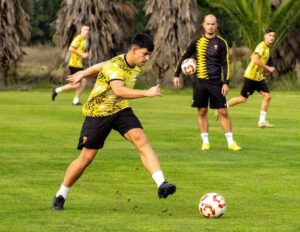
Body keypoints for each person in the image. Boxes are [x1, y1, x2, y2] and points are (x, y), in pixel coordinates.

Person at [52, 33, 176, 211]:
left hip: (120, 110)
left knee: (141, 140)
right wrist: (147, 93)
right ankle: (61, 194)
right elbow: (118, 90)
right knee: (86, 158)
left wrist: (84, 72)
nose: (147, 58)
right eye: (145, 54)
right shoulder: (116, 66)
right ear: (134, 50)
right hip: (99, 113)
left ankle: (161, 183)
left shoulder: (131, 62)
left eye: (149, 55)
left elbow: (101, 65)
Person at [173, 14, 241, 151]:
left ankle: (231, 143)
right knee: (202, 111)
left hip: (216, 83)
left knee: (223, 112)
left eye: (213, 24)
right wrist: (176, 74)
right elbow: (185, 56)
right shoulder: (197, 42)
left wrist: (226, 82)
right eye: (208, 24)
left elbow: (225, 63)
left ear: (216, 25)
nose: (210, 26)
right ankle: (205, 142)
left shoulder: (222, 43)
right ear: (204, 25)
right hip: (200, 83)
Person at [227, 29, 276, 128]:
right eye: (270, 35)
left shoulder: (266, 48)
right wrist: (267, 68)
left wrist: (259, 64)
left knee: (267, 97)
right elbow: (255, 59)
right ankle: (222, 106)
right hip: (251, 77)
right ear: (265, 36)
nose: (272, 38)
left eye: (273, 36)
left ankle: (261, 122)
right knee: (242, 99)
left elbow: (252, 56)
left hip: (258, 78)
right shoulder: (262, 46)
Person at [52, 22, 90, 105]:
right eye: (85, 29)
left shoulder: (85, 40)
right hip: (74, 64)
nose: (87, 31)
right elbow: (71, 48)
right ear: (81, 30)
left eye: (88, 30)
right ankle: (58, 91)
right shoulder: (78, 38)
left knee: (80, 83)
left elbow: (81, 51)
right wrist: (82, 54)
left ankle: (74, 99)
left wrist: (85, 55)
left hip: (79, 65)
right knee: (79, 83)